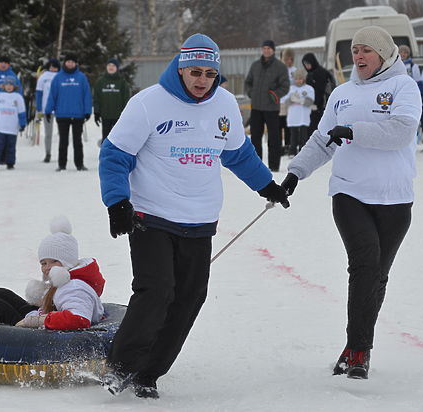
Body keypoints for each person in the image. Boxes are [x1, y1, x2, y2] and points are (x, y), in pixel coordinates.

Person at [98, 33, 289, 399]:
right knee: (157, 291)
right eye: (195, 72)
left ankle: (149, 373)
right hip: (150, 215)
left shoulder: (225, 106)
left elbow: (238, 154)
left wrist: (268, 186)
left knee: (189, 297)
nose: (202, 80)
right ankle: (121, 365)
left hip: (199, 220)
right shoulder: (149, 103)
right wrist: (117, 203)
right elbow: (115, 154)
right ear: (181, 68)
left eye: (209, 74)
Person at [280, 26, 421, 380]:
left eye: (366, 51)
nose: (357, 57)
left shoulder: (403, 87)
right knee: (365, 265)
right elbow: (323, 139)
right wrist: (296, 173)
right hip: (349, 193)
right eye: (354, 50)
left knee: (377, 276)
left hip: (394, 198)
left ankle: (352, 345)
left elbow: (403, 131)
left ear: (384, 54)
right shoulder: (342, 94)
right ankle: (360, 349)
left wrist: (355, 130)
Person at [244, 40, 289, 172]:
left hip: (271, 108)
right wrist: (251, 93)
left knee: (274, 138)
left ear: (273, 50)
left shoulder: (280, 67)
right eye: (264, 48)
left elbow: (285, 86)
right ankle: (256, 166)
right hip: (256, 107)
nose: (266, 50)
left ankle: (274, 166)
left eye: (269, 48)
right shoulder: (255, 65)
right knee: (255, 137)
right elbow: (248, 82)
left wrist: (274, 95)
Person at [45, 53, 92, 172]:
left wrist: (87, 111)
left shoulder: (81, 77)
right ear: (64, 63)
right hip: (62, 114)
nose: (70, 63)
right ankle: (62, 165)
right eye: (68, 61)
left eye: (72, 61)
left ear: (76, 63)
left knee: (77, 142)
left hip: (78, 115)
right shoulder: (58, 78)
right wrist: (48, 110)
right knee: (63, 142)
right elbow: (52, 95)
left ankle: (79, 164)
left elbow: (87, 95)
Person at [0, 76, 27, 171]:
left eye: (11, 85)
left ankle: (10, 163)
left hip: (12, 127)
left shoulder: (18, 97)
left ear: (14, 86)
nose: (9, 87)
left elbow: (21, 111)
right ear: (3, 86)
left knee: (11, 146)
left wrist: (23, 123)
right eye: (7, 85)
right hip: (0, 126)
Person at [93, 58, 130, 145]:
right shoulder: (100, 82)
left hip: (119, 117)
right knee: (106, 139)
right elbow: (96, 98)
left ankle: (117, 158)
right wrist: (97, 112)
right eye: (109, 65)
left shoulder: (122, 82)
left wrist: (126, 113)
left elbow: (126, 99)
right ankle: (105, 158)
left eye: (113, 66)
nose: (111, 67)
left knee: (118, 140)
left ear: (117, 68)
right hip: (105, 116)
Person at [279, 68, 314, 156]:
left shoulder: (308, 89)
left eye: (300, 79)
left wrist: (300, 101)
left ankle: (303, 152)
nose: (298, 81)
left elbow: (310, 102)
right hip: (293, 117)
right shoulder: (290, 89)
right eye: (296, 79)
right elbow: (284, 101)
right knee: (293, 136)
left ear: (304, 79)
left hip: (303, 117)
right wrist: (291, 99)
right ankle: (292, 151)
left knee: (303, 136)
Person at [302, 52, 336, 136]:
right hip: (314, 107)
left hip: (319, 107)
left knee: (316, 132)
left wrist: (315, 105)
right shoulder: (311, 73)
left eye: (308, 63)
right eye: (305, 64)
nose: (307, 66)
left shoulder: (319, 73)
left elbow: (320, 90)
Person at [35, 58, 61, 163]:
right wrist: (39, 107)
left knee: (62, 134)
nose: (53, 68)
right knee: (48, 133)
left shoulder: (61, 76)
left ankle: (61, 154)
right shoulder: (44, 77)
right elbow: (39, 92)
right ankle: (48, 153)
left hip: (60, 109)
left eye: (55, 67)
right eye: (51, 66)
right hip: (47, 109)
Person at [279, 48, 297, 155]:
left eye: (291, 59)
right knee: (279, 123)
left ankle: (288, 144)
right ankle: (279, 145)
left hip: (291, 101)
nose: (289, 61)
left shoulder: (294, 70)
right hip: (281, 100)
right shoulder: (280, 70)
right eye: (287, 59)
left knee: (288, 124)